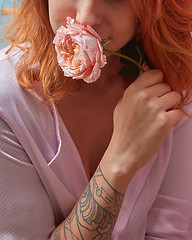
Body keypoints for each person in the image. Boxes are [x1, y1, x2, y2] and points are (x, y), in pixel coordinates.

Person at [0, 0, 192, 239]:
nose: (86, 17)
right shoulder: (7, 104)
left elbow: (171, 232)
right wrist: (118, 163)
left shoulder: (174, 84)